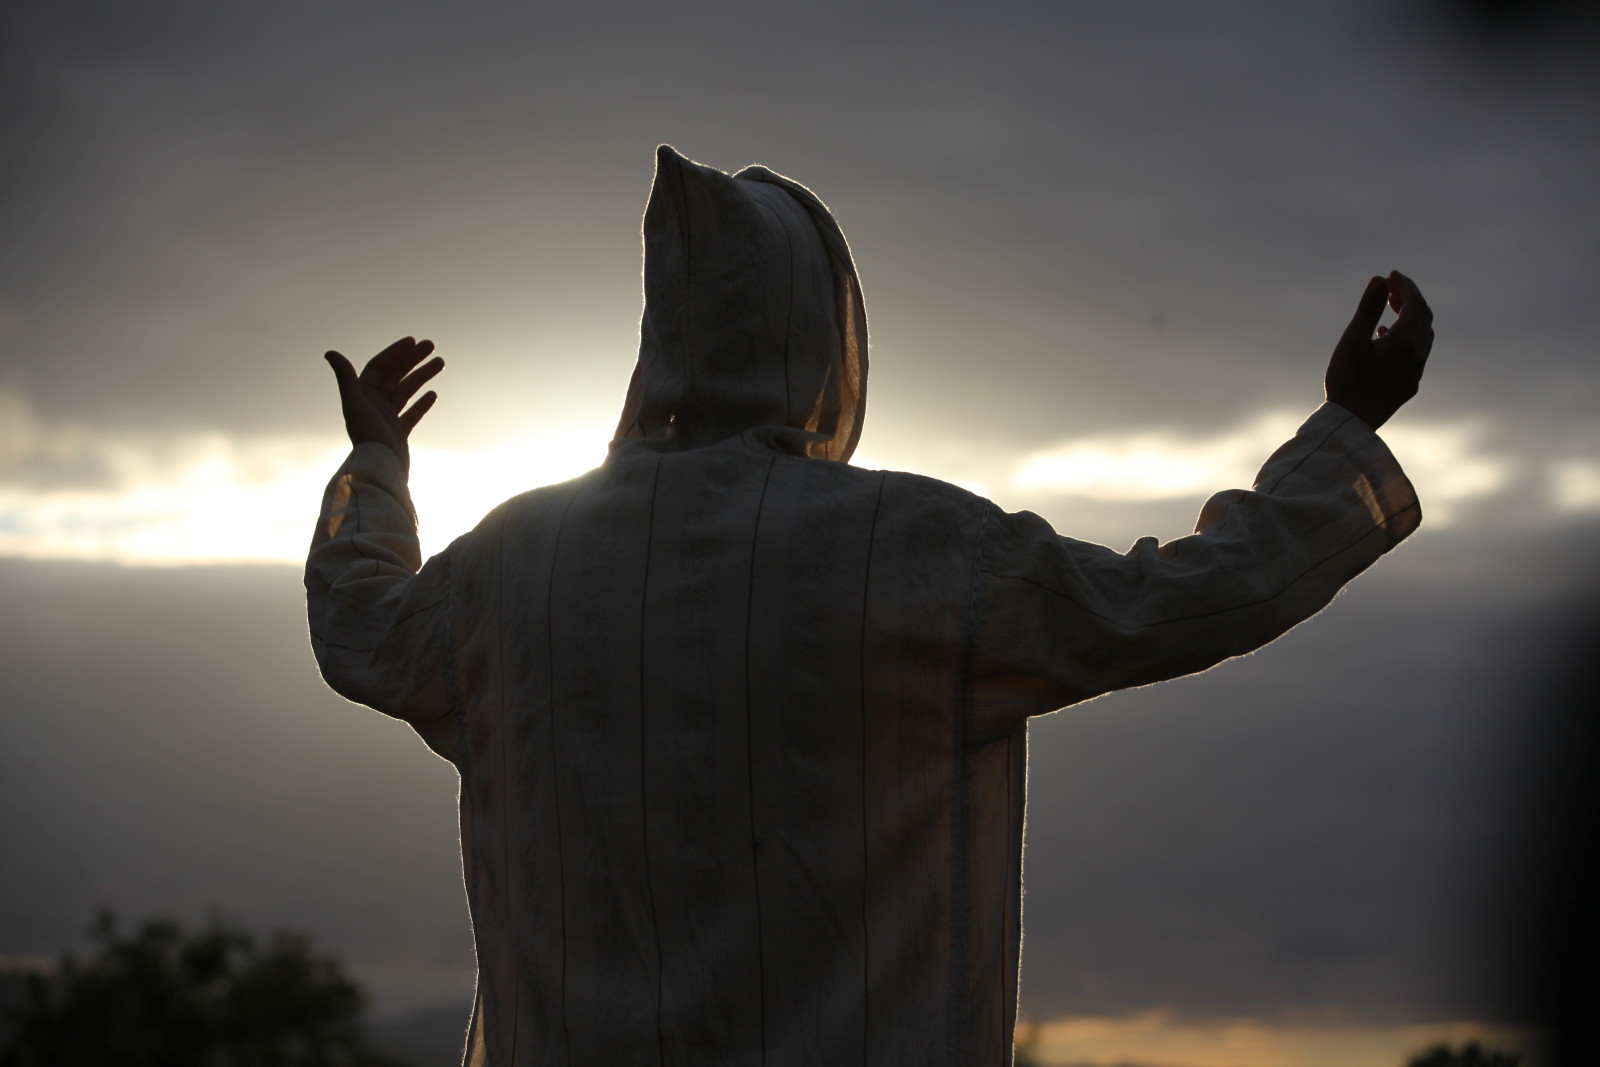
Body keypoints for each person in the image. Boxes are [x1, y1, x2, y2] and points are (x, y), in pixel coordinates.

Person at [307, 145, 1431, 1067]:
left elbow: (358, 621)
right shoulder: (916, 549)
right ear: (822, 337)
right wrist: (1343, 435)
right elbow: (1184, 596)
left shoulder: (516, 565)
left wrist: (376, 467)